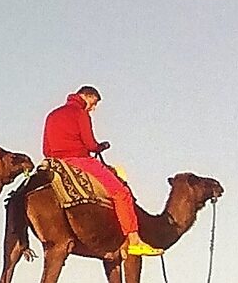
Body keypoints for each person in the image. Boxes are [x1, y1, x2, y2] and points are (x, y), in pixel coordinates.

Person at [41, 86, 158, 255]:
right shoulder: (80, 114)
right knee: (121, 193)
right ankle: (134, 240)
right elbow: (90, 144)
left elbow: (46, 148)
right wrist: (99, 147)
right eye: (93, 103)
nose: (92, 108)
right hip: (79, 160)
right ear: (87, 97)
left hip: (54, 162)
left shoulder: (52, 115)